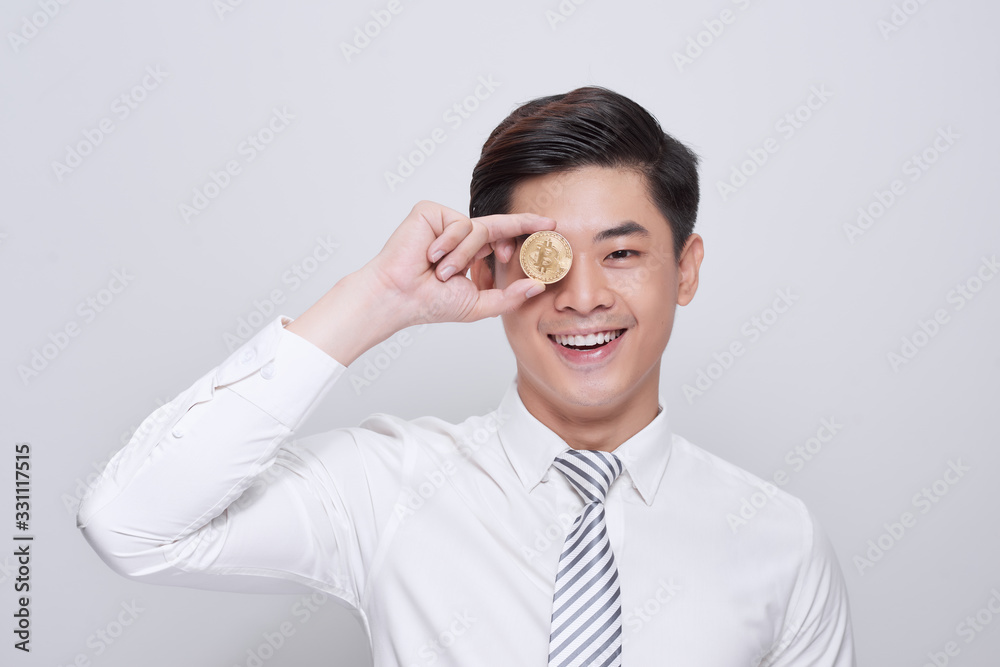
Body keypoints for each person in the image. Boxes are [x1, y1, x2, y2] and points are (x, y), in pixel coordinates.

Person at [77, 86, 856, 666]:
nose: (583, 295)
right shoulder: (386, 487)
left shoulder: (778, 540)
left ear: (684, 270)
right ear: (493, 264)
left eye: (621, 253)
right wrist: (375, 300)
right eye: (547, 258)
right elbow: (132, 525)